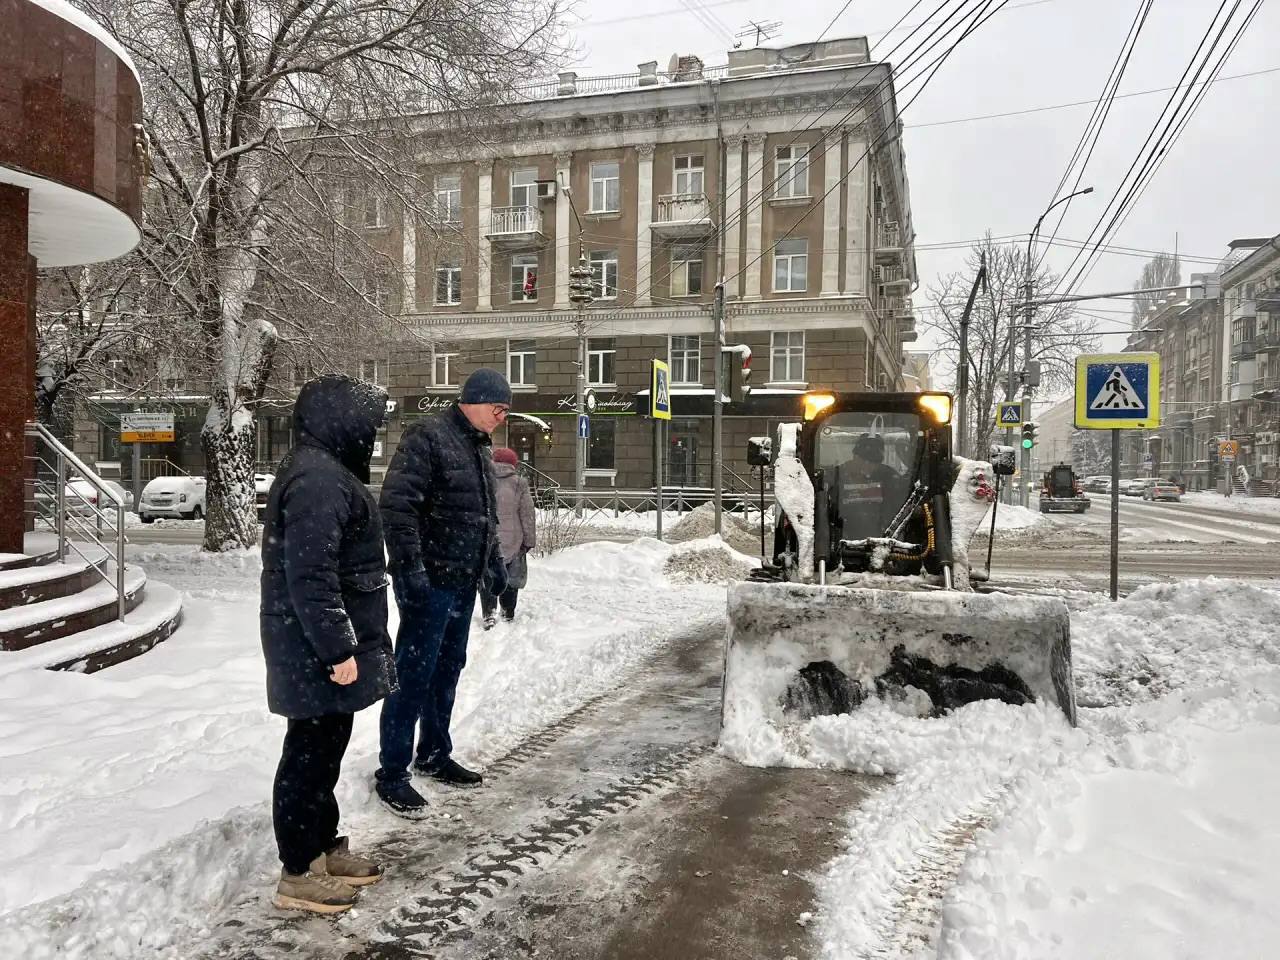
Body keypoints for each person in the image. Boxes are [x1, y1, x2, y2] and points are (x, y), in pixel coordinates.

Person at [259, 375, 397, 914]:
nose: (373, 435)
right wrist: (338, 651)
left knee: (325, 749)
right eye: (368, 424)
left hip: (317, 644)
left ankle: (321, 850)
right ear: (343, 421)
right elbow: (311, 578)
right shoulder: (318, 479)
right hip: (314, 648)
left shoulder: (325, 471)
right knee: (308, 755)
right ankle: (297, 873)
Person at [374, 368, 511, 819]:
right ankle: (392, 772)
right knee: (413, 674)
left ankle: (434, 753)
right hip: (429, 584)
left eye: (506, 409)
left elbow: (484, 516)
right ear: (473, 400)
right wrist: (409, 569)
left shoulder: (477, 448)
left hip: (462, 583)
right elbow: (398, 508)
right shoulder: (428, 437)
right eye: (497, 405)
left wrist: (491, 563)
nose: (502, 414)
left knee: (448, 670)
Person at [479, 447, 537, 628]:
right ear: (513, 464)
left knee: (488, 575)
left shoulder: (483, 480)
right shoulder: (519, 483)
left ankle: (489, 612)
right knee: (511, 576)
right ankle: (508, 611)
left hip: (488, 538)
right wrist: (529, 540)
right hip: (514, 539)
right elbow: (527, 515)